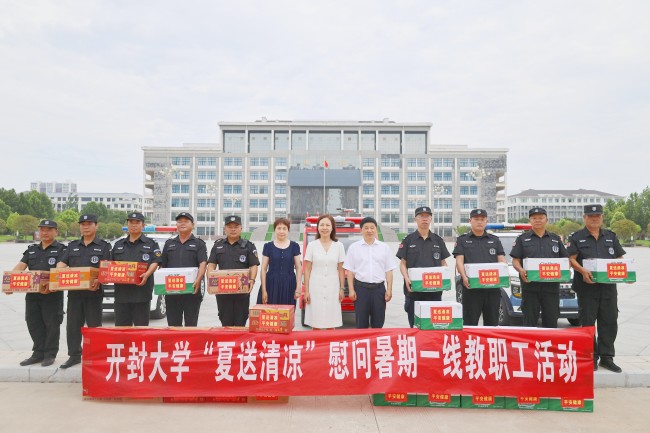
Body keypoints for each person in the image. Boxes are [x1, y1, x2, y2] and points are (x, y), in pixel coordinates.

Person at [567, 204, 627, 373]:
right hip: (587, 287)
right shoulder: (577, 237)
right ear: (584, 218)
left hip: (608, 288)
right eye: (591, 216)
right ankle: (590, 357)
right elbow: (571, 259)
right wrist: (582, 271)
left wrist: (626, 273)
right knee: (587, 323)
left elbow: (619, 257)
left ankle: (607, 358)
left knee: (609, 321)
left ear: (602, 218)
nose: (595, 219)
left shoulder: (610, 236)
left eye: (598, 216)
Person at [55, 214, 111, 369]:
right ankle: (74, 356)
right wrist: (59, 272)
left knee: (94, 326)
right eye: (82, 224)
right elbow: (61, 264)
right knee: (73, 326)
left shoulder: (104, 246)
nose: (85, 227)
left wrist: (99, 280)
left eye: (89, 224)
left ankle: (95, 355)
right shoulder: (72, 246)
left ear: (96, 226)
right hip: (74, 294)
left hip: (94, 293)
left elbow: (106, 268)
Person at [11, 220, 65, 367]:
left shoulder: (62, 250)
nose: (45, 232)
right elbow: (20, 267)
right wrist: (9, 283)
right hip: (33, 295)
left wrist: (52, 283)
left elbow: (61, 269)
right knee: (33, 322)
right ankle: (38, 353)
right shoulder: (32, 250)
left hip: (52, 294)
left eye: (49, 229)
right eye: (42, 230)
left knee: (52, 324)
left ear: (56, 232)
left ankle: (50, 354)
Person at [510, 207, 569, 328]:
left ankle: (549, 341)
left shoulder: (555, 239)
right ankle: (530, 341)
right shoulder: (522, 239)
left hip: (551, 288)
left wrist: (565, 272)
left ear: (546, 220)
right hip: (530, 287)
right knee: (530, 322)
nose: (537, 220)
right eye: (534, 218)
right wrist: (521, 270)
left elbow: (565, 260)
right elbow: (515, 260)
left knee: (551, 321)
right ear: (530, 221)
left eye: (541, 218)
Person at [397, 206, 451, 328]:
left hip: (434, 291)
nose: (424, 219)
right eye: (421, 216)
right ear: (415, 219)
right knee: (414, 325)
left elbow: (443, 263)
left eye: (427, 216)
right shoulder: (408, 240)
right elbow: (403, 263)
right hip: (414, 291)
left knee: (433, 325)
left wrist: (445, 277)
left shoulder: (438, 240)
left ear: (431, 219)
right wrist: (406, 278)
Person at [453, 209, 507, 326]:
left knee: (492, 322)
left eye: (482, 219)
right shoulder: (462, 240)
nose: (479, 222)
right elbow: (459, 261)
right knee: (470, 322)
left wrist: (504, 274)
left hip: (492, 289)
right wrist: (464, 277)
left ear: (486, 221)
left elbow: (502, 260)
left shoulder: (494, 240)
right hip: (471, 288)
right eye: (476, 219)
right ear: (470, 221)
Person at [344, 216, 396, 328]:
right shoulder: (354, 248)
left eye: (372, 228)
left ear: (376, 229)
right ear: (361, 230)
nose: (369, 230)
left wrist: (389, 289)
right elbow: (350, 272)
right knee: (361, 324)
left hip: (379, 290)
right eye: (366, 228)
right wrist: (351, 290)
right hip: (361, 290)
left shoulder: (384, 248)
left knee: (378, 323)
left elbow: (389, 271)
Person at [207, 215, 259, 326]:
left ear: (241, 228)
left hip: (242, 292)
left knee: (241, 320)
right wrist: (210, 281)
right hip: (223, 291)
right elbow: (211, 265)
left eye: (236, 227)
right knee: (225, 320)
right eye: (230, 227)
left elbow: (253, 265)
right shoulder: (218, 245)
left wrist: (252, 280)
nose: (233, 229)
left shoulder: (248, 246)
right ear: (225, 229)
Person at [111, 212, 161, 326]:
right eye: (131, 222)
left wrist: (147, 274)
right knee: (122, 330)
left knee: (141, 330)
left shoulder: (151, 244)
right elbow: (110, 265)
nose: (134, 225)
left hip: (141, 294)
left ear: (143, 225)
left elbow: (156, 261)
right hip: (122, 295)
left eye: (137, 222)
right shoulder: (118, 244)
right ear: (127, 224)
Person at [160, 212, 207, 326]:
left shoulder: (199, 244)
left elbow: (203, 263)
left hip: (192, 291)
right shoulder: (169, 243)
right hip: (172, 292)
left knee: (191, 325)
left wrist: (198, 280)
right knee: (173, 325)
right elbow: (162, 266)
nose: (182, 224)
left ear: (193, 225)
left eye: (186, 221)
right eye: (179, 221)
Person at [303, 214, 346, 329]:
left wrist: (342, 289)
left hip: (333, 287)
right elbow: (307, 269)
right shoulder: (312, 245)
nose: (324, 228)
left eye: (328, 225)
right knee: (315, 321)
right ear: (318, 227)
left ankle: (330, 340)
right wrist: (306, 291)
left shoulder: (339, 246)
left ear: (332, 228)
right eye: (322, 225)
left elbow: (341, 269)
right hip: (315, 287)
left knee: (332, 321)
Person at [257, 217, 302, 306]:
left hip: (289, 285)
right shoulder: (268, 246)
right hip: (271, 284)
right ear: (275, 230)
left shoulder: (294, 246)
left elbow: (298, 267)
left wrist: (298, 288)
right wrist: (264, 290)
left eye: (284, 228)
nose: (281, 231)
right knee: (269, 312)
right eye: (279, 228)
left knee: (286, 312)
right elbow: (263, 269)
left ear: (288, 230)